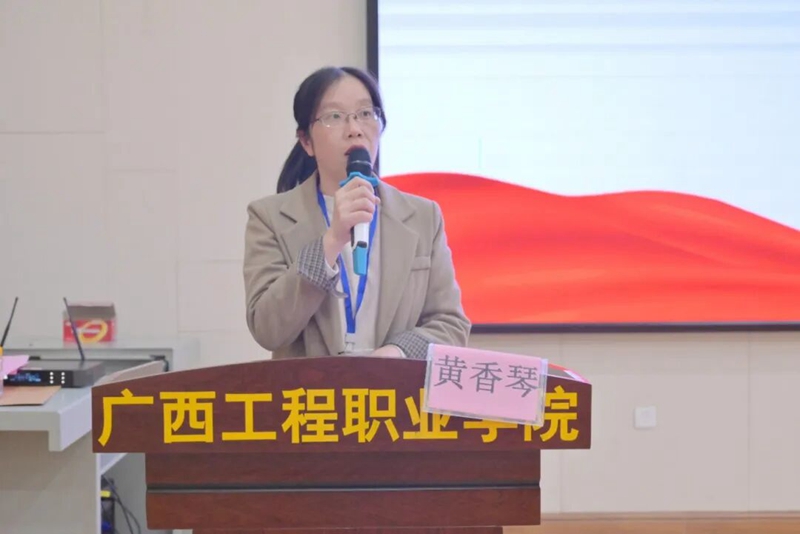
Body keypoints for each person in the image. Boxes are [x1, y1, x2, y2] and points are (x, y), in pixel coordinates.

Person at [243, 66, 470, 360]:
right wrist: (331, 241)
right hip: (310, 389)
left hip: (393, 386)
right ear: (306, 141)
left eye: (365, 113)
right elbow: (268, 329)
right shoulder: (269, 217)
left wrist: (397, 353)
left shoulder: (423, 217)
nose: (354, 129)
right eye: (334, 117)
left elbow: (451, 326)